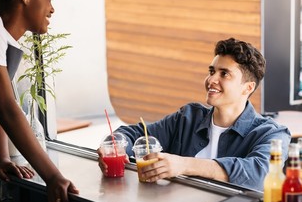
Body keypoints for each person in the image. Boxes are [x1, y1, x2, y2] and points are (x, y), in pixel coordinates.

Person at [97, 38, 291, 191]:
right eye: (211, 71)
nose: (211, 79)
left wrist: (184, 165)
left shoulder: (273, 134)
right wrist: (115, 147)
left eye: (224, 74)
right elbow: (134, 133)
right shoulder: (187, 117)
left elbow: (260, 174)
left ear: (247, 88)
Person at [0, 0, 78, 202]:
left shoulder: (0, 37)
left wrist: (3, 158)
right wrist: (53, 176)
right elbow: (6, 108)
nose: (52, 8)